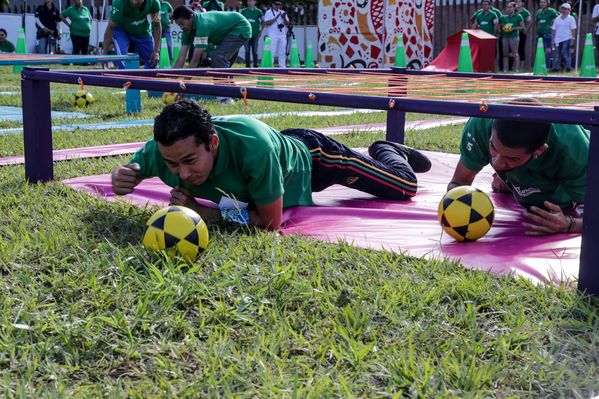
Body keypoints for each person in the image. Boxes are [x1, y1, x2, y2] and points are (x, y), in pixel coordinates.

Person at [111, 100, 432, 230]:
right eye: (171, 164)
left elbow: (269, 222)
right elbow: (132, 169)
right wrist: (124, 176)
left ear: (213, 143)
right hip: (275, 153)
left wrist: (208, 213)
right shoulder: (167, 149)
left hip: (315, 159)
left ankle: (386, 149)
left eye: (190, 162)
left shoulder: (254, 151)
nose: (181, 173)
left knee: (403, 187)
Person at [448, 102, 588, 236]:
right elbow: (458, 184)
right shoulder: (481, 124)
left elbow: (593, 219)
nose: (496, 164)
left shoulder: (574, 151)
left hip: (575, 179)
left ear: (539, 150)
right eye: (492, 147)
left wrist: (570, 225)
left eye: (512, 158)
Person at [172, 5, 251, 68]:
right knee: (218, 67)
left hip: (240, 27)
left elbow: (195, 60)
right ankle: (227, 84)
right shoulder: (186, 31)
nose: (181, 28)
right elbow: (180, 60)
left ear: (191, 17)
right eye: (179, 25)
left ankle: (225, 86)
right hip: (228, 32)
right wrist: (170, 82)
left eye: (182, 23)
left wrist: (185, 84)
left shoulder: (202, 25)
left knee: (217, 57)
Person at [103, 0, 162, 69]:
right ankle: (122, 76)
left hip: (142, 32)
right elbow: (110, 27)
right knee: (122, 59)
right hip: (122, 30)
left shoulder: (154, 2)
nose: (134, 2)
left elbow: (157, 26)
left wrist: (156, 51)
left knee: (153, 62)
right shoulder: (119, 2)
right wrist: (105, 53)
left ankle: (143, 77)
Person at [261, 0, 289, 68]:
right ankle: (271, 66)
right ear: (272, 4)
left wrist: (284, 18)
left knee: (282, 52)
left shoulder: (283, 12)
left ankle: (282, 67)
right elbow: (267, 23)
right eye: (276, 4)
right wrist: (276, 17)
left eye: (279, 4)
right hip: (273, 34)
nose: (278, 6)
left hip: (282, 34)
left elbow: (288, 24)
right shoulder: (268, 12)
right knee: (272, 51)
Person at [499, 2, 524, 73]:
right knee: (505, 54)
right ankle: (505, 70)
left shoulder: (518, 16)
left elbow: (522, 27)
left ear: (514, 8)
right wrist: (501, 28)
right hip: (505, 37)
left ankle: (517, 70)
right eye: (507, 7)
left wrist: (513, 28)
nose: (509, 9)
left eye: (510, 7)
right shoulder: (503, 17)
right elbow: (499, 24)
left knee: (515, 53)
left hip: (514, 37)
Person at [551, 3, 576, 73]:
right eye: (563, 8)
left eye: (566, 9)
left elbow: (573, 30)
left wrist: (573, 39)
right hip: (558, 39)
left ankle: (568, 68)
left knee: (565, 53)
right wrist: (553, 40)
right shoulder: (557, 19)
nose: (564, 10)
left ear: (569, 10)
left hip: (567, 38)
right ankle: (555, 68)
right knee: (557, 54)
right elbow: (554, 30)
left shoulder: (571, 18)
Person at [535, 0, 559, 71]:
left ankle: (547, 67)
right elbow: (536, 21)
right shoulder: (539, 12)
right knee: (540, 50)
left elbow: (558, 18)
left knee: (548, 50)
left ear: (548, 3)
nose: (542, 4)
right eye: (541, 2)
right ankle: (539, 66)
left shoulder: (551, 11)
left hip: (548, 33)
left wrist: (552, 25)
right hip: (540, 33)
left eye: (544, 2)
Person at [241, 0, 263, 67]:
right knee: (247, 51)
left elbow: (263, 22)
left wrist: (261, 31)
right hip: (246, 35)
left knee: (255, 51)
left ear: (255, 2)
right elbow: (240, 22)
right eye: (248, 1)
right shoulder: (243, 11)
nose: (249, 2)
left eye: (251, 1)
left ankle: (256, 65)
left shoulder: (258, 12)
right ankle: (247, 65)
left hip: (255, 35)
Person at [515, 0, 532, 71]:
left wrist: (525, 31)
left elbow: (530, 22)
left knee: (520, 49)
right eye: (516, 2)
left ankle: (521, 68)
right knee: (513, 51)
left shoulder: (525, 12)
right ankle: (514, 67)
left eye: (519, 2)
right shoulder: (514, 10)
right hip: (513, 33)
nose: (517, 3)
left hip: (521, 33)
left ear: (523, 3)